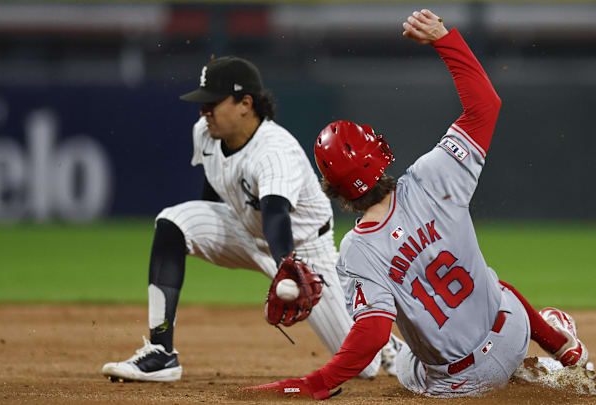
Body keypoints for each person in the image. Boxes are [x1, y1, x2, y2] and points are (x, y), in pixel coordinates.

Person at [243, 9, 596, 398]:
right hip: (512, 332)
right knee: (495, 287)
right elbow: (485, 105)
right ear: (378, 156)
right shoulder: (433, 175)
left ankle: (528, 373)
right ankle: (562, 347)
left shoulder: (357, 250)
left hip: (464, 384)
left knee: (409, 362)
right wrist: (444, 39)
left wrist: (317, 383)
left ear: (335, 190)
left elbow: (373, 335)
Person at [101, 55, 399, 382]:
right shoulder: (205, 132)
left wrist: (286, 266)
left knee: (363, 367)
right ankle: (161, 353)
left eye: (213, 102)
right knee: (172, 223)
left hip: (303, 251)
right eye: (203, 103)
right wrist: (205, 236)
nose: (204, 111)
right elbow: (216, 188)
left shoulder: (274, 150)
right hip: (243, 229)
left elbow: (275, 216)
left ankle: (388, 345)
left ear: (245, 103)